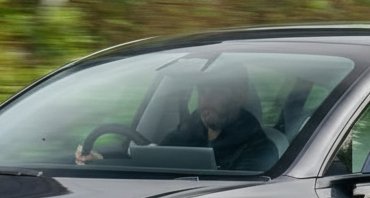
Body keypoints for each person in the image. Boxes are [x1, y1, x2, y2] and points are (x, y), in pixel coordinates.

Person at [75, 64, 278, 171]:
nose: (205, 100)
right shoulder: (185, 134)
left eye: (215, 91)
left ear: (240, 95)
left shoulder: (260, 151)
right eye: (202, 91)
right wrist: (102, 161)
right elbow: (150, 167)